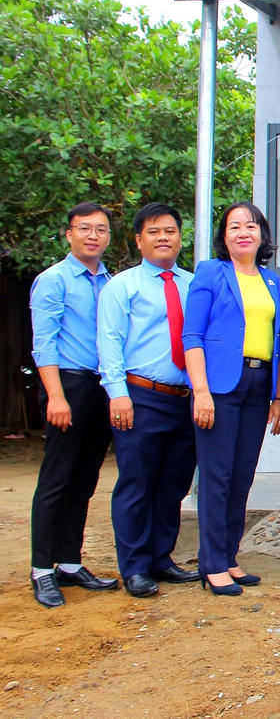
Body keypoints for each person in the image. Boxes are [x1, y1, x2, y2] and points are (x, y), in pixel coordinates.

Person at [182, 202, 280, 596]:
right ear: (224, 236)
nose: (243, 232)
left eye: (251, 226)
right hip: (219, 386)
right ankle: (211, 563)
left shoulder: (271, 280)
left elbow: (279, 343)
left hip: (259, 385)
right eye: (234, 226)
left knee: (242, 475)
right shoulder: (211, 272)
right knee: (217, 476)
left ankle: (228, 556)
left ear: (262, 234)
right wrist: (201, 391)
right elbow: (192, 335)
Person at [97, 202, 198, 597]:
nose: (163, 238)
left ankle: (161, 558)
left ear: (180, 238)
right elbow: (109, 342)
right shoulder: (122, 286)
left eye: (170, 231)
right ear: (139, 240)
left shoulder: (193, 284)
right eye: (154, 232)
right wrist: (118, 394)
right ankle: (135, 567)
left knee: (174, 483)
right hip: (141, 396)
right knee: (137, 483)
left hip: (185, 398)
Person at [28, 202, 120, 608]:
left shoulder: (111, 282)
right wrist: (56, 396)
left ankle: (68, 561)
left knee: (84, 480)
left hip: (102, 388)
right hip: (68, 385)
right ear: (69, 234)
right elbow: (43, 343)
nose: (92, 236)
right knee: (56, 480)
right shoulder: (54, 280)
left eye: (100, 229)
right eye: (84, 228)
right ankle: (41, 569)